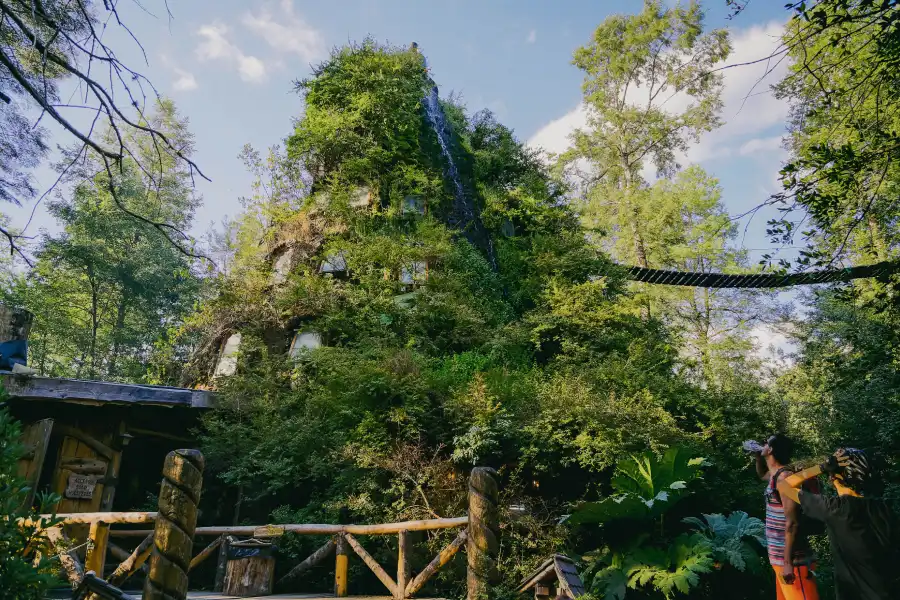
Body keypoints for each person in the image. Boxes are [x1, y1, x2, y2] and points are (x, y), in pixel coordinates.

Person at [777, 448, 897, 600]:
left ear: (834, 477)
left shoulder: (835, 509)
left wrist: (821, 467)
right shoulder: (883, 507)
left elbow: (784, 486)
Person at [747, 434, 820, 600]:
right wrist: (758, 458)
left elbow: (792, 523)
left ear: (771, 449)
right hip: (779, 557)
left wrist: (788, 563)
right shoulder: (775, 475)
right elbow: (762, 475)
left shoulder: (785, 477)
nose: (762, 444)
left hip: (794, 561)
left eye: (765, 443)